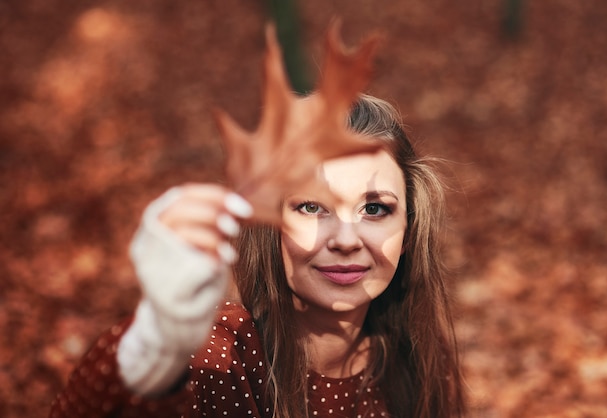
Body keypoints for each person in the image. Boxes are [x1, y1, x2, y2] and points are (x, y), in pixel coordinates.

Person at [49, 94, 465, 417]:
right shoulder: (217, 354)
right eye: (312, 206)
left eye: (375, 209)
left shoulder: (418, 359)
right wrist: (156, 343)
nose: (345, 239)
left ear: (408, 231)